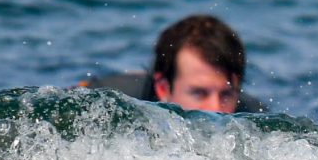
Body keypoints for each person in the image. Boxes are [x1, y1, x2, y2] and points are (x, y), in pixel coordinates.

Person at [81, 14, 266, 112]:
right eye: (199, 93)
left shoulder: (255, 115)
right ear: (163, 88)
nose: (216, 109)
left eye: (226, 95)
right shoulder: (109, 99)